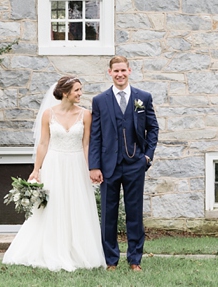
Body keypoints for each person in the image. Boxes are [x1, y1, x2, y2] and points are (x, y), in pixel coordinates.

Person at [2, 76, 106, 271]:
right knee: (53, 206)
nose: (80, 94)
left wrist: (91, 168)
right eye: (77, 90)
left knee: (77, 205)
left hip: (76, 164)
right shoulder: (48, 114)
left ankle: (78, 251)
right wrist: (36, 170)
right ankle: (51, 249)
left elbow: (86, 144)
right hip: (54, 163)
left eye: (80, 90)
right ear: (65, 93)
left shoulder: (85, 115)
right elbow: (43, 143)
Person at [89, 55, 159, 272]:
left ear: (129, 71)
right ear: (109, 72)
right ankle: (111, 260)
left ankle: (135, 259)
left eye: (123, 70)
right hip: (108, 165)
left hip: (135, 164)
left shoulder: (143, 97)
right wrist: (94, 166)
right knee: (109, 214)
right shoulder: (100, 100)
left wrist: (147, 156)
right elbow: (96, 135)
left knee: (134, 213)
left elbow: (153, 128)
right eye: (115, 71)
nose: (119, 74)